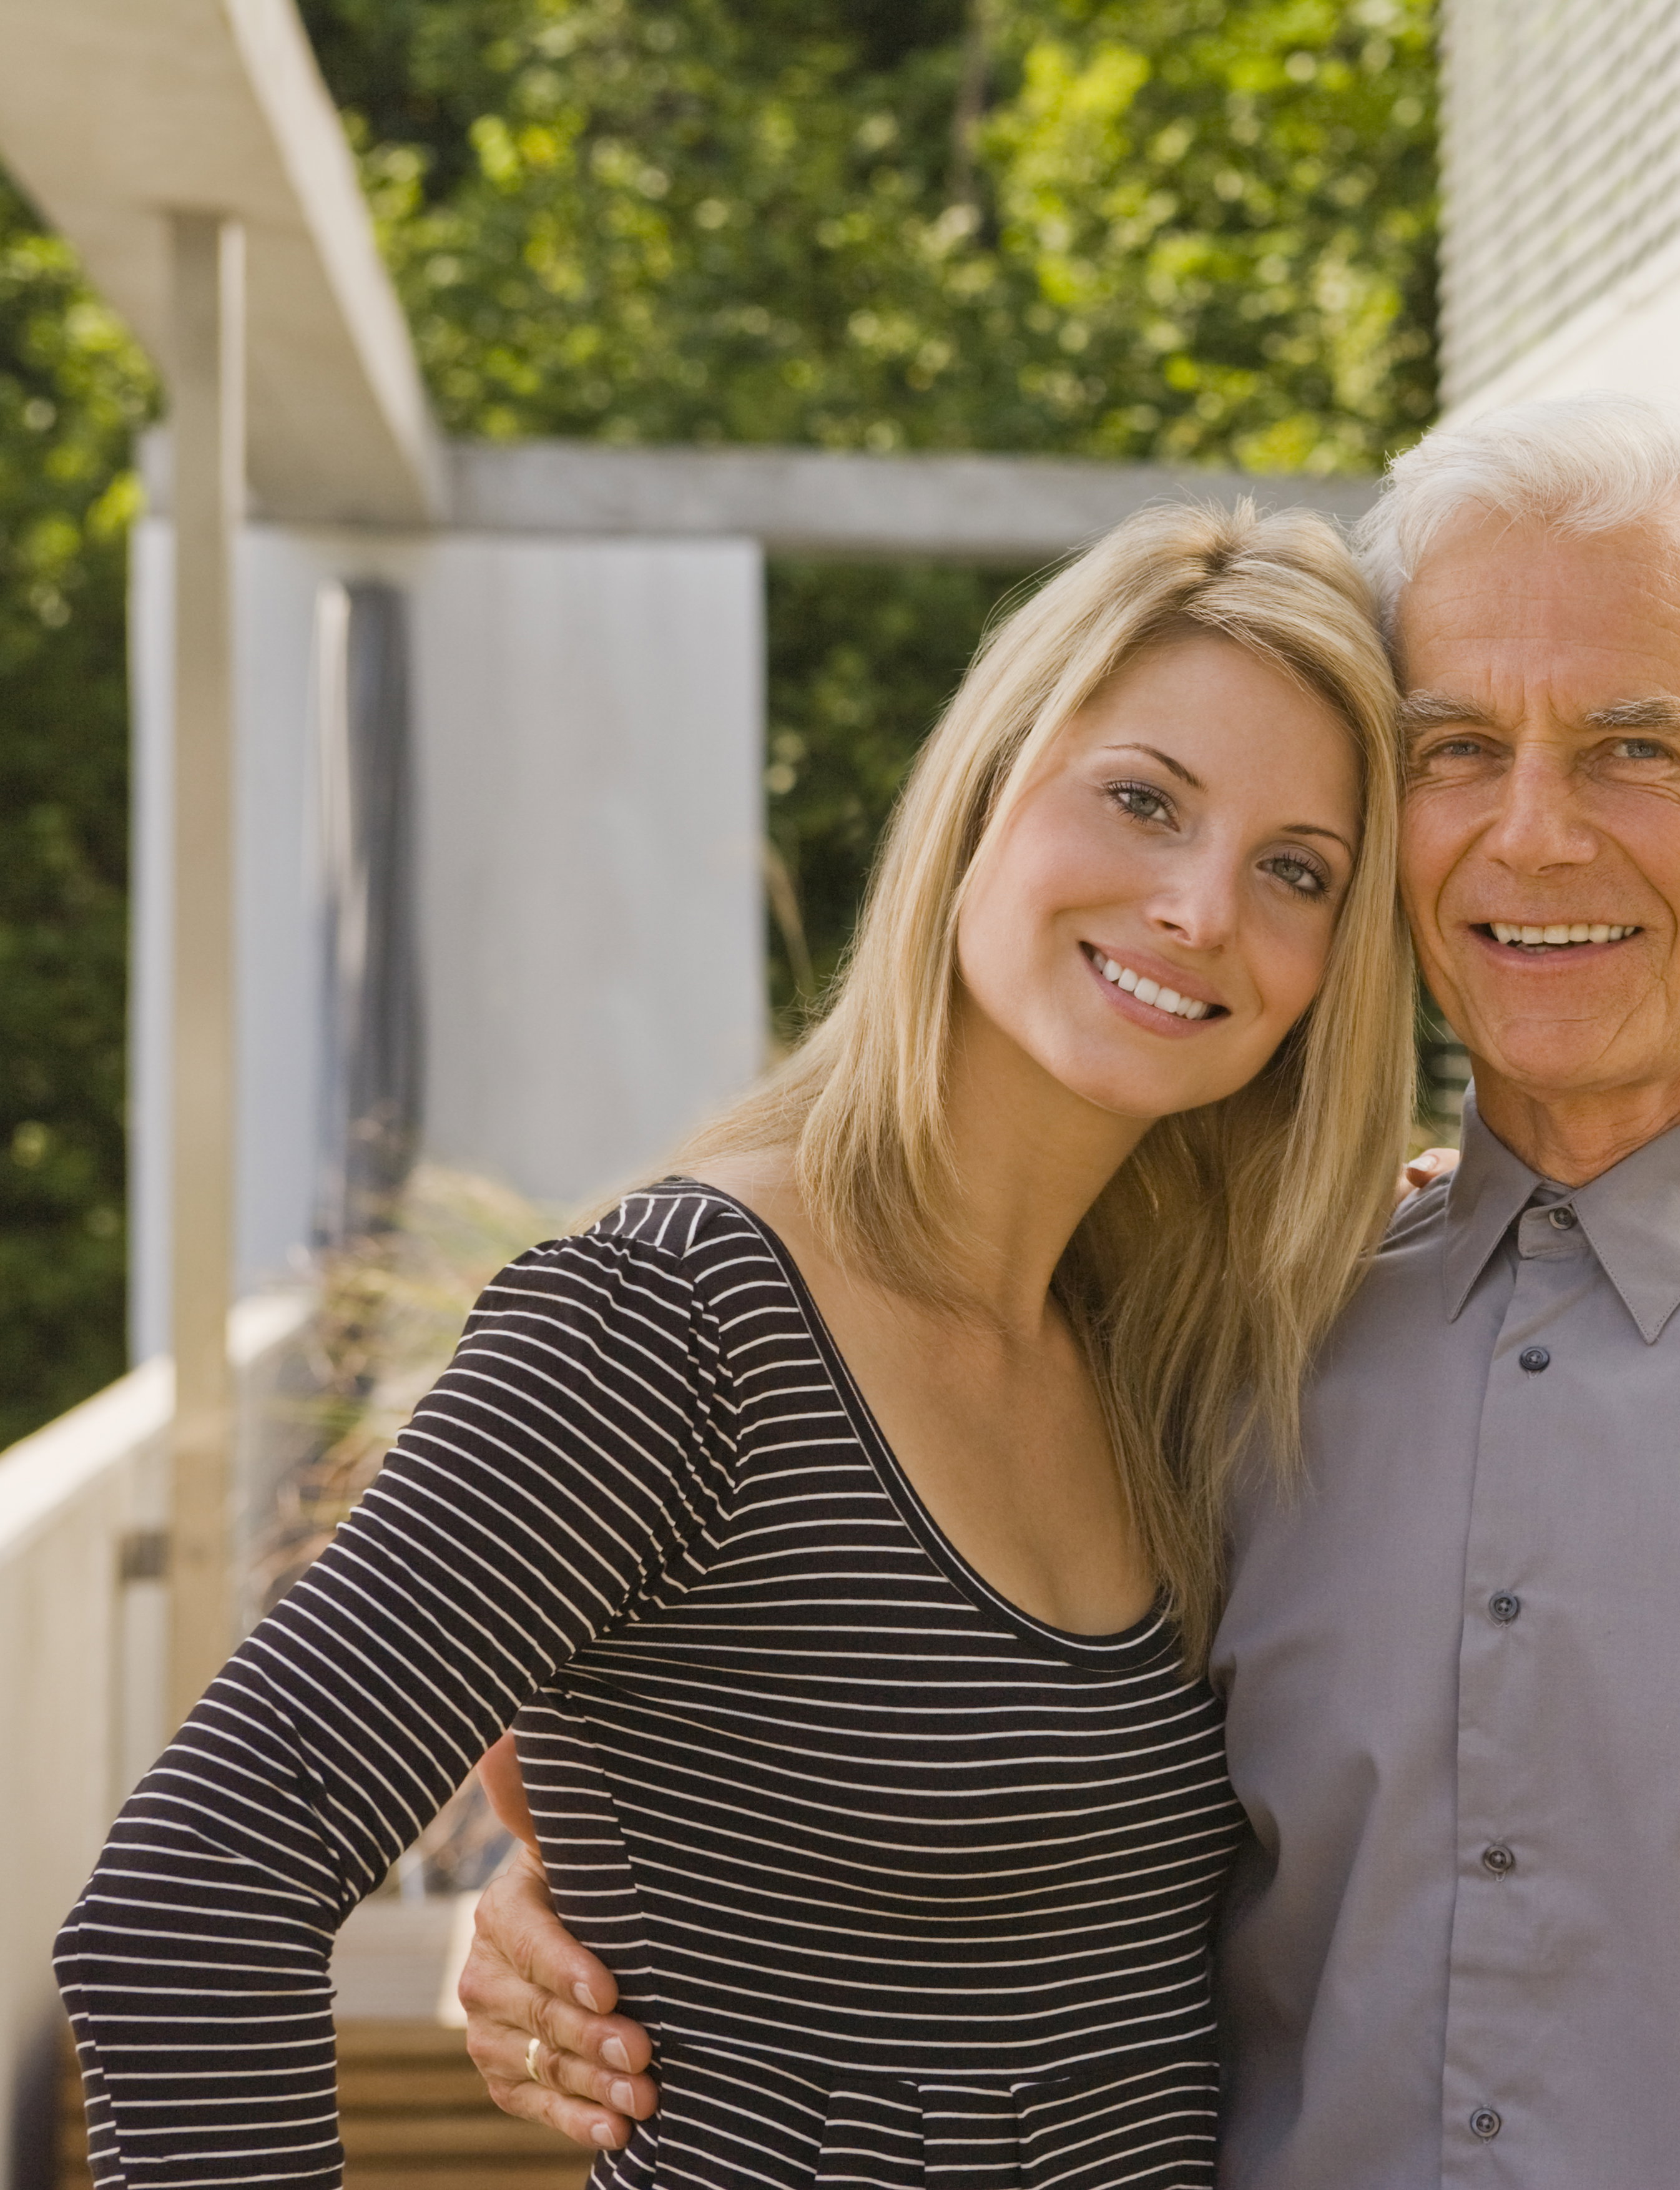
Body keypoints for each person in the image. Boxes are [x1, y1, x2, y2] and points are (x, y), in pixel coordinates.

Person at [472, 393, 1680, 2188]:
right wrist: (562, 1894)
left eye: (1638, 750)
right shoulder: (1204, 1355)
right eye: (1457, 749)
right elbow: (909, 1761)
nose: (1531, 831)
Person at [55, 501, 1418, 2190]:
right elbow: (189, 1911)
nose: (1204, 906)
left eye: (1299, 868)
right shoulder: (672, 1322)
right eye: (1142, 798)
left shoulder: (1171, 1353)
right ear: (987, 791)